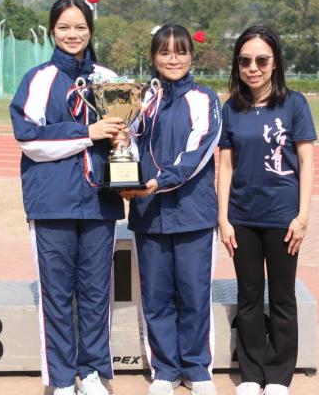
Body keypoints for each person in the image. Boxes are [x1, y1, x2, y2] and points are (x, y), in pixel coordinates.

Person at [9, 0, 125, 395]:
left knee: (95, 292)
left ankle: (91, 372)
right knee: (57, 295)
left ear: (90, 31)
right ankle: (61, 379)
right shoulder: (38, 79)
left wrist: (124, 136)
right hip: (52, 202)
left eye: (80, 27)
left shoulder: (108, 78)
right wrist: (86, 134)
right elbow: (29, 140)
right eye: (64, 27)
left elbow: (125, 130)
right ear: (51, 31)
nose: (72, 34)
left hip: (100, 200)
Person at [120, 24, 222, 395]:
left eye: (181, 52)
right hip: (149, 215)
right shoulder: (140, 98)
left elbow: (198, 152)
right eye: (165, 52)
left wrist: (156, 182)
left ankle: (196, 369)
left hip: (193, 213)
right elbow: (127, 143)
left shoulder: (205, 98)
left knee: (194, 295)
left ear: (191, 56)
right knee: (156, 296)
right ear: (153, 57)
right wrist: (124, 169)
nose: (173, 59)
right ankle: (165, 370)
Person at [217, 25, 316, 395]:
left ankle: (277, 376)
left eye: (261, 60)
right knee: (248, 297)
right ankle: (251, 374)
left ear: (275, 62)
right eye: (245, 61)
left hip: (283, 218)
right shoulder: (231, 108)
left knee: (283, 297)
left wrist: (302, 217)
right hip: (242, 217)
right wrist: (223, 218)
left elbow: (306, 162)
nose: (252, 68)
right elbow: (225, 166)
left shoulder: (294, 104)